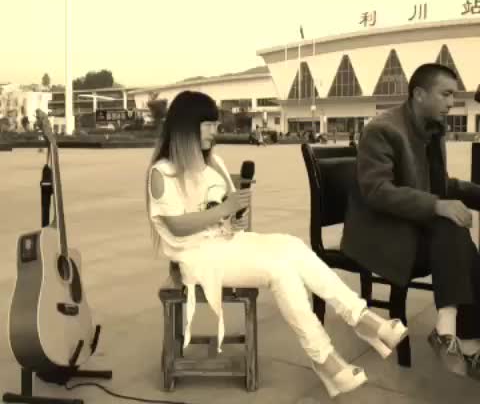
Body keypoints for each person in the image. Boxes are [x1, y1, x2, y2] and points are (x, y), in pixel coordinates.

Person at [146, 90, 408, 398]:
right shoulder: (162, 173)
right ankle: (324, 358)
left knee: (292, 245)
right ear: (186, 127)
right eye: (208, 125)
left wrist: (232, 218)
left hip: (227, 243)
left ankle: (360, 317)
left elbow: (224, 211)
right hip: (196, 257)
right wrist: (223, 210)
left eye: (215, 125)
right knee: (280, 269)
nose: (215, 132)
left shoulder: (214, 163)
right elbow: (176, 226)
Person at [341, 63, 480, 380]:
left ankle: (450, 330)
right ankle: (466, 341)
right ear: (419, 94)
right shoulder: (382, 130)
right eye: (446, 94)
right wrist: (437, 205)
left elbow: (442, 186)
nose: (452, 103)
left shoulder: (433, 130)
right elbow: (377, 190)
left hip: (414, 228)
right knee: (451, 228)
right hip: (378, 234)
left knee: (458, 238)